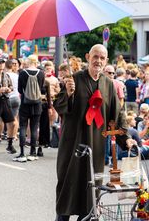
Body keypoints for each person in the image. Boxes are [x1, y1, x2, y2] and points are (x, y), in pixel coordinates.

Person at [53, 44, 136, 221]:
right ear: (88, 57)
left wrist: (126, 138)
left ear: (106, 61)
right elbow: (58, 105)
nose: (98, 60)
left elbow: (117, 115)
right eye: (95, 56)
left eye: (102, 58)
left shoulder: (109, 84)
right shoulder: (73, 79)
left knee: (90, 197)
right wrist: (67, 94)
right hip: (72, 146)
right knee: (67, 193)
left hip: (96, 149)